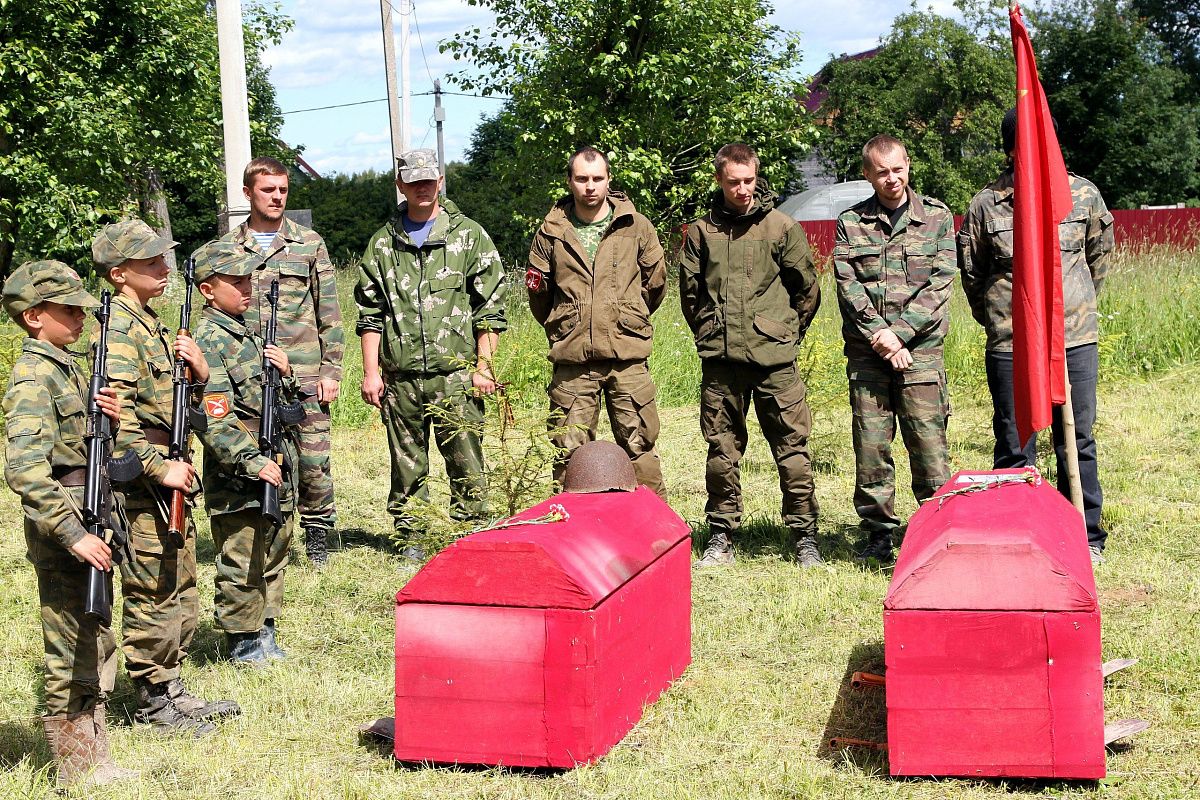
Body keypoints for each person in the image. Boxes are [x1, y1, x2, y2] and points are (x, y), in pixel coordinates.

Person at [92, 219, 240, 733]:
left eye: (163, 258)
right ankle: (155, 701)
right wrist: (160, 469)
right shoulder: (119, 332)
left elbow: (184, 406)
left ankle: (172, 685)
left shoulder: (152, 324)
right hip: (141, 483)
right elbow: (118, 421)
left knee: (179, 579)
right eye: (150, 261)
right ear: (118, 274)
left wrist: (200, 374)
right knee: (153, 586)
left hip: (171, 472)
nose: (164, 267)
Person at [958, 108, 1114, 565]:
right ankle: (1016, 532)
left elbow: (1097, 256)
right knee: (1014, 438)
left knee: (1077, 438)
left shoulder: (1082, 194)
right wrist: (1003, 318)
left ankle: (1084, 535)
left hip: (1074, 336)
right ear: (1009, 148)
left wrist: (1073, 307)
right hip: (1013, 340)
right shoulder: (987, 204)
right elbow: (974, 271)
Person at [2, 260, 134, 787]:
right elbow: (26, 470)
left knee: (94, 634)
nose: (80, 317)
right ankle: (76, 768)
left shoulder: (66, 366)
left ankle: (94, 750)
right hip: (67, 530)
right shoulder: (34, 376)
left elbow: (81, 444)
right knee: (70, 642)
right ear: (34, 316)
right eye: (67, 309)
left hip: (91, 515)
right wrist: (73, 533)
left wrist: (110, 418)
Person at [355, 149, 507, 559]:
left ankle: (473, 532)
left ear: (440, 181)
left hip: (456, 376)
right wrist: (372, 372)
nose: (423, 187)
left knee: (466, 458)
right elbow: (370, 313)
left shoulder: (469, 235)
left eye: (429, 180)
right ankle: (413, 536)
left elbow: (490, 307)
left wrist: (483, 368)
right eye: (414, 181)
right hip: (400, 377)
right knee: (407, 463)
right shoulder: (384, 243)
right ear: (400, 185)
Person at [680, 143, 823, 568]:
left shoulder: (781, 227)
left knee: (792, 447)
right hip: (721, 361)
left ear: (756, 176)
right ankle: (721, 534)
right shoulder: (701, 233)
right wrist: (711, 331)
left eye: (748, 180)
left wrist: (783, 332)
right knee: (721, 449)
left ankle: (804, 536)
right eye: (733, 182)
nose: (742, 189)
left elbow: (807, 289)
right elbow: (691, 296)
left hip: (774, 360)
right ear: (719, 180)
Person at [833, 136, 956, 565]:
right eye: (881, 172)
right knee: (871, 448)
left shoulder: (937, 217)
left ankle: (935, 529)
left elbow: (941, 282)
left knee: (929, 446)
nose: (892, 179)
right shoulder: (851, 222)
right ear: (868, 174)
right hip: (870, 356)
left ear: (909, 166)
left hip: (920, 353)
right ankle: (878, 534)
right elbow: (848, 285)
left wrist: (900, 334)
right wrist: (881, 338)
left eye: (898, 169)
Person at [221, 156, 343, 567]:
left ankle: (318, 532)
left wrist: (331, 371)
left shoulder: (309, 243)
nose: (276, 197)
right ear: (247, 193)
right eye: (267, 190)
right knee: (261, 451)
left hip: (304, 370)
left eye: (283, 190)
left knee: (312, 457)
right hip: (248, 373)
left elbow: (330, 312)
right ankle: (269, 529)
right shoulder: (224, 249)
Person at [526, 146, 667, 497]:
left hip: (627, 358)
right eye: (582, 179)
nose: (590, 186)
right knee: (568, 456)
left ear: (609, 180)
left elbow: (656, 282)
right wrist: (567, 324)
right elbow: (539, 294)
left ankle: (654, 536)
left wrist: (626, 315)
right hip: (574, 362)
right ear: (570, 181)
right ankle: (572, 537)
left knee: (641, 450)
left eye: (597, 178)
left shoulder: (636, 226)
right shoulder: (551, 231)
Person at [191, 240, 304, 664]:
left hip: (275, 454)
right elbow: (214, 412)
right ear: (207, 289)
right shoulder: (207, 339)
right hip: (238, 468)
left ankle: (265, 628)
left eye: (247, 279)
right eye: (235, 281)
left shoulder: (248, 333)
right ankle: (242, 640)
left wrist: (286, 371)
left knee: (275, 545)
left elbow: (279, 400)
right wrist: (251, 462)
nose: (246, 287)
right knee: (242, 553)